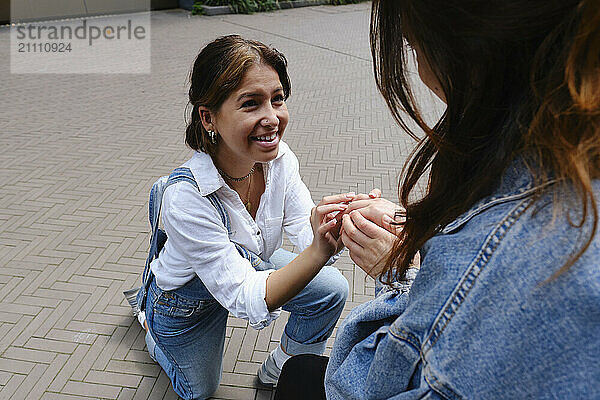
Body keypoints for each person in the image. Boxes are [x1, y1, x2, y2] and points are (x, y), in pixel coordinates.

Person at [276, 0, 600, 398]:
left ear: (466, 51)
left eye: (412, 46)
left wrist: (401, 271)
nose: (272, 119)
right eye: (250, 102)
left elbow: (360, 388)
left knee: (302, 369)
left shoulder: (503, 250)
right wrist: (418, 239)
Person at [131, 35, 352, 400]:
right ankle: (154, 334)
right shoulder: (187, 198)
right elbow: (246, 295)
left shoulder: (280, 159)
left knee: (331, 291)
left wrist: (335, 223)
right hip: (186, 304)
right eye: (251, 104)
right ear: (208, 117)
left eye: (277, 99)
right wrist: (319, 250)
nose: (272, 118)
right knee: (199, 392)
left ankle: (284, 367)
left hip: (245, 264)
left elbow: (302, 226)